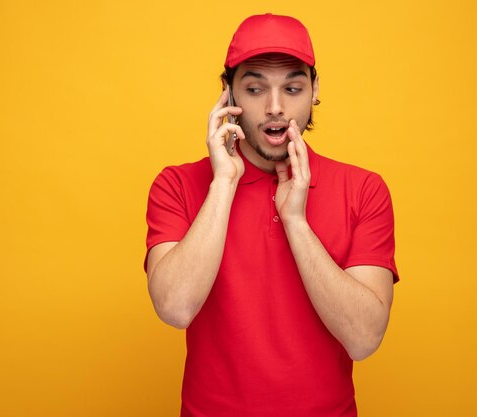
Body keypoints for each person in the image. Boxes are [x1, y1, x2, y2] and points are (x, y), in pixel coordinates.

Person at [144, 13, 399, 417]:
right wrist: (224, 183)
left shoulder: (364, 190)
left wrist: (296, 221)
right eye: (255, 88)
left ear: (315, 90)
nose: (275, 107)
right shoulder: (176, 185)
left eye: (293, 88)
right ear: (228, 94)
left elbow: (364, 338)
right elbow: (174, 307)